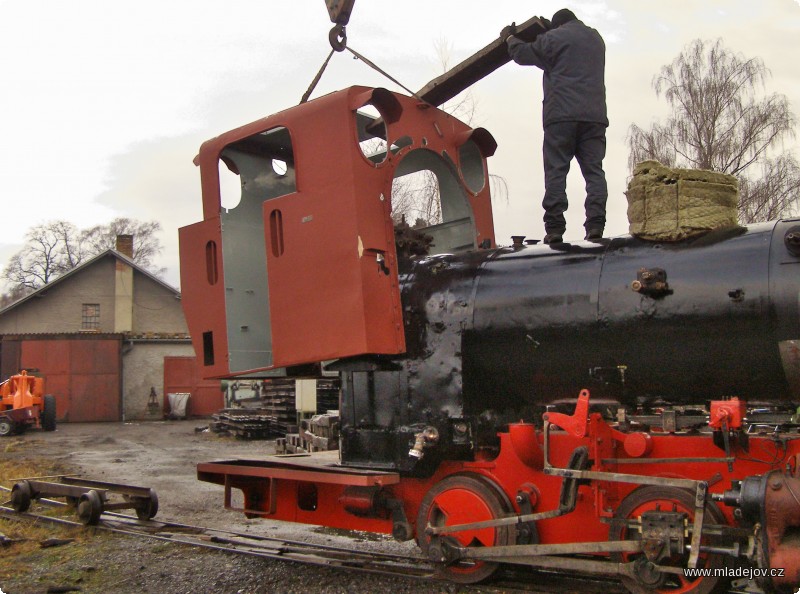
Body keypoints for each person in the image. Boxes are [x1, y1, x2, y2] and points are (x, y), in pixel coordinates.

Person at [503, 9, 608, 244]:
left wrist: (510, 38)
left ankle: (555, 228)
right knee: (594, 172)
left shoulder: (554, 38)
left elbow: (522, 54)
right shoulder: (596, 39)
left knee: (556, 172)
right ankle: (596, 225)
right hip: (594, 117)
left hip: (561, 116)